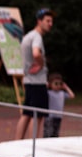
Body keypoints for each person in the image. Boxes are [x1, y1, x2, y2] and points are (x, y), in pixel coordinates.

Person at [15, 8, 55, 139]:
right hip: (37, 82)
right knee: (37, 115)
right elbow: (36, 53)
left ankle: (17, 143)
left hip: (29, 80)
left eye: (51, 21)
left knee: (26, 114)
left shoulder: (28, 36)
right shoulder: (37, 37)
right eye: (47, 21)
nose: (50, 24)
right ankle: (32, 146)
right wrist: (41, 63)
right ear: (39, 21)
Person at [44, 72, 75, 137]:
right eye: (56, 84)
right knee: (48, 132)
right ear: (50, 84)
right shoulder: (49, 93)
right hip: (50, 116)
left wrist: (66, 87)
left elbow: (72, 96)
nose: (58, 86)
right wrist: (46, 86)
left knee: (56, 133)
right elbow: (41, 93)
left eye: (60, 84)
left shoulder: (62, 93)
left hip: (58, 116)